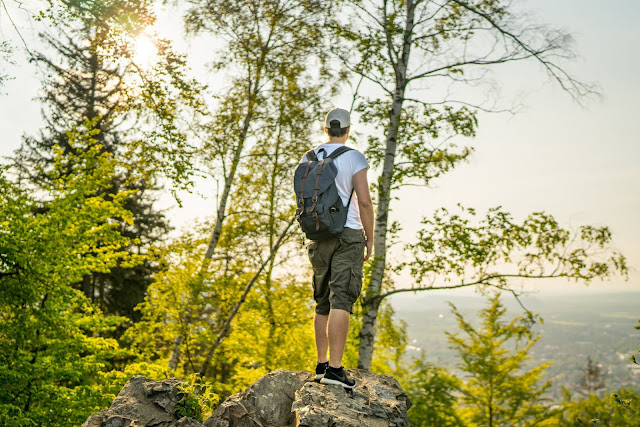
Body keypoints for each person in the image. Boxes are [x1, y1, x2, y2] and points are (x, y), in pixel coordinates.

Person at [302, 108, 374, 389]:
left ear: (325, 128)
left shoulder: (309, 157)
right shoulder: (353, 156)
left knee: (322, 302)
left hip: (318, 235)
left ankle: (321, 365)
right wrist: (370, 238)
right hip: (348, 234)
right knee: (341, 299)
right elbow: (365, 202)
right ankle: (335, 370)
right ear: (347, 129)